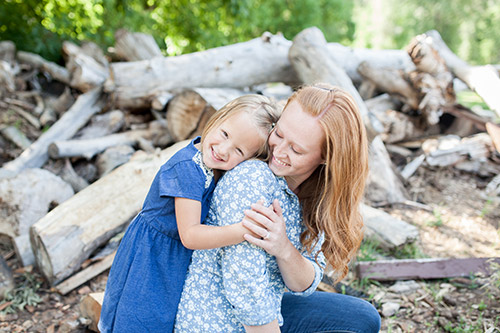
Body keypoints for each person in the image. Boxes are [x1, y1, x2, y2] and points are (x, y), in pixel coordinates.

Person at [175, 84, 381, 332]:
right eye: (279, 134)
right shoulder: (252, 178)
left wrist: (283, 248)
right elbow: (244, 284)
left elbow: (304, 284)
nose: (279, 152)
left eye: (296, 149)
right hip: (218, 321)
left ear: (326, 157)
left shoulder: (314, 196)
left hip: (267, 307)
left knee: (361, 317)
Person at [98, 94, 281, 333]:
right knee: (140, 319)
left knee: (162, 320)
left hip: (173, 257)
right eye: (225, 134)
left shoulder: (214, 165)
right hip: (152, 256)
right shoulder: (188, 169)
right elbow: (191, 235)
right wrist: (244, 231)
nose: (223, 150)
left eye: (239, 150)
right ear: (216, 118)